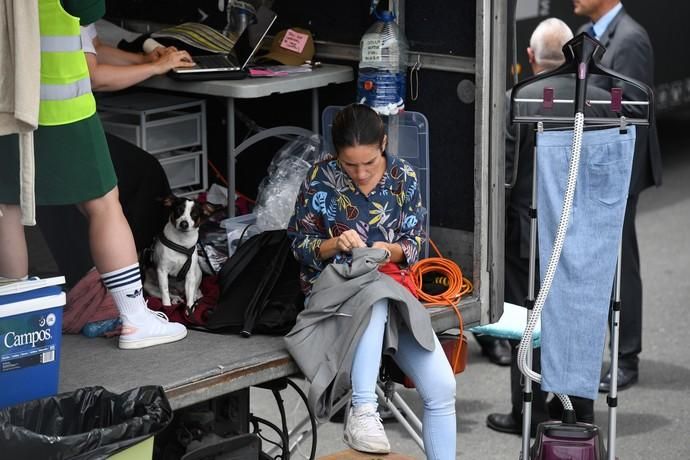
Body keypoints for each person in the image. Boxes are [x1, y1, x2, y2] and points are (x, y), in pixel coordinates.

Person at [0, 0, 188, 349]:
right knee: (104, 203)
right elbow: (86, 10)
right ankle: (134, 318)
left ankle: (13, 323)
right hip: (59, 104)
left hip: (3, 100)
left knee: (5, 207)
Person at [287, 104, 456, 459]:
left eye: (369, 162)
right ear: (336, 156)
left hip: (392, 290)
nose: (361, 173)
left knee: (442, 387)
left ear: (383, 143)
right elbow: (298, 245)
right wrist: (334, 244)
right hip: (335, 292)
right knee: (375, 293)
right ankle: (363, 410)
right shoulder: (320, 177)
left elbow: (415, 244)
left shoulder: (403, 176)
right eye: (350, 165)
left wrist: (390, 250)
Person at [486, 17, 611, 436]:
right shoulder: (597, 98)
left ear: (529, 57)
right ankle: (581, 414)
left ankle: (530, 414)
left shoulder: (517, 97)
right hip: (586, 231)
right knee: (580, 317)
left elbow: (503, 173)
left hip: (528, 233)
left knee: (530, 323)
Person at [573, 0, 662, 393]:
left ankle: (627, 357)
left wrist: (617, 180)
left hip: (616, 171)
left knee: (621, 263)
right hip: (593, 168)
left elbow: (632, 113)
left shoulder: (630, 39)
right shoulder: (589, 35)